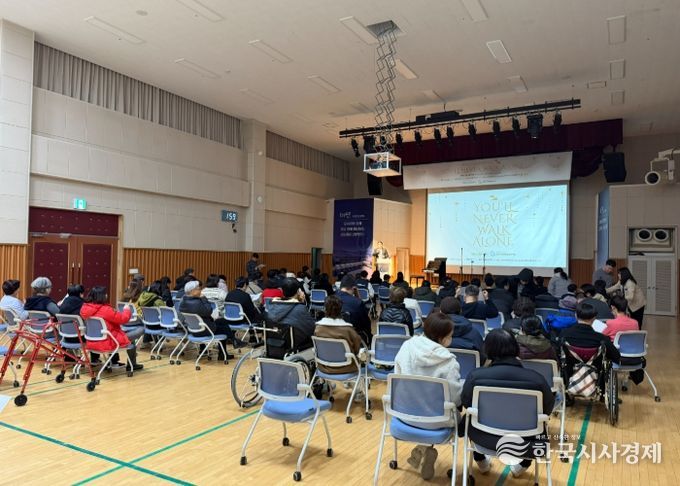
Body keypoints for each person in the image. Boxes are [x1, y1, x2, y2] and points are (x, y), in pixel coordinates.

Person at [461, 329, 554, 478]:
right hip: (526, 442)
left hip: (483, 438)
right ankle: (523, 465)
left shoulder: (476, 376)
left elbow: (466, 402)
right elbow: (547, 408)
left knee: (471, 417)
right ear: (515, 348)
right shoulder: (536, 379)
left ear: (488, 350)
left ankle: (481, 461)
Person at [394, 312, 461, 481]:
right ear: (441, 338)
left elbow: (397, 380)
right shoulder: (449, 362)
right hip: (437, 421)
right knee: (450, 413)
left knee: (425, 408)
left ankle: (423, 447)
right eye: (450, 336)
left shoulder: (406, 347)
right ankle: (426, 448)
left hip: (404, 415)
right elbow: (455, 399)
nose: (451, 339)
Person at [80, 286, 144, 371]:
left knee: (127, 337)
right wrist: (127, 310)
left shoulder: (85, 308)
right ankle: (131, 364)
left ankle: (123, 362)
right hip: (108, 341)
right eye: (105, 294)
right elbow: (123, 319)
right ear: (102, 296)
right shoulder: (106, 310)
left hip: (91, 342)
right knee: (141, 329)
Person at [179, 280, 242, 358]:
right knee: (224, 329)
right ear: (192, 291)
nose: (200, 290)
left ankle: (204, 350)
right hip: (205, 331)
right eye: (198, 289)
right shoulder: (197, 303)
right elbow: (209, 311)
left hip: (192, 330)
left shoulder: (182, 302)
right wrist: (204, 298)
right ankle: (225, 351)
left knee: (222, 321)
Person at [559, 302, 621, 379]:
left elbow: (559, 354)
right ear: (594, 318)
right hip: (595, 380)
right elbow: (616, 357)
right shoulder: (601, 339)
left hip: (570, 378)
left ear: (576, 315)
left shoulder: (564, 335)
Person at [314, 295, 363, 375]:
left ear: (325, 309)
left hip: (324, 367)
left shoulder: (318, 328)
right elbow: (357, 349)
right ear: (341, 309)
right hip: (347, 368)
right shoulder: (348, 329)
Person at [265, 277, 315, 351]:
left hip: (274, 344)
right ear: (298, 291)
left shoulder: (271, 305)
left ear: (282, 291)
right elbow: (311, 329)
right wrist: (302, 302)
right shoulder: (300, 308)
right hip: (295, 345)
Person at [439, 297, 485, 362]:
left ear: (440, 312)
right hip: (469, 368)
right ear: (461, 311)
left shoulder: (433, 333)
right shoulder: (475, 334)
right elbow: (482, 359)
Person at [336, 274, 372, 344]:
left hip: (335, 337)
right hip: (353, 339)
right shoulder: (357, 302)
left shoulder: (330, 299)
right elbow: (366, 324)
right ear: (354, 288)